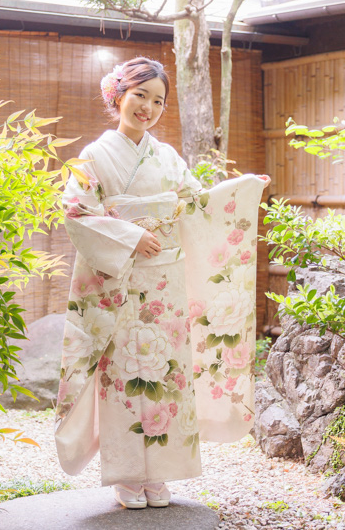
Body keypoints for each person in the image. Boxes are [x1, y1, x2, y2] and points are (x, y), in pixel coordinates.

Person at [54, 56, 271, 509]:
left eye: (158, 101)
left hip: (166, 285)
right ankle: (127, 474)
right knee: (124, 373)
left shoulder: (167, 156)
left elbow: (195, 205)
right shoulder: (93, 156)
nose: (148, 108)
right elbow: (75, 212)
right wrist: (131, 236)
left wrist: (243, 189)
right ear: (118, 95)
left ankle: (161, 472)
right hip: (118, 281)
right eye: (140, 95)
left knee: (165, 374)